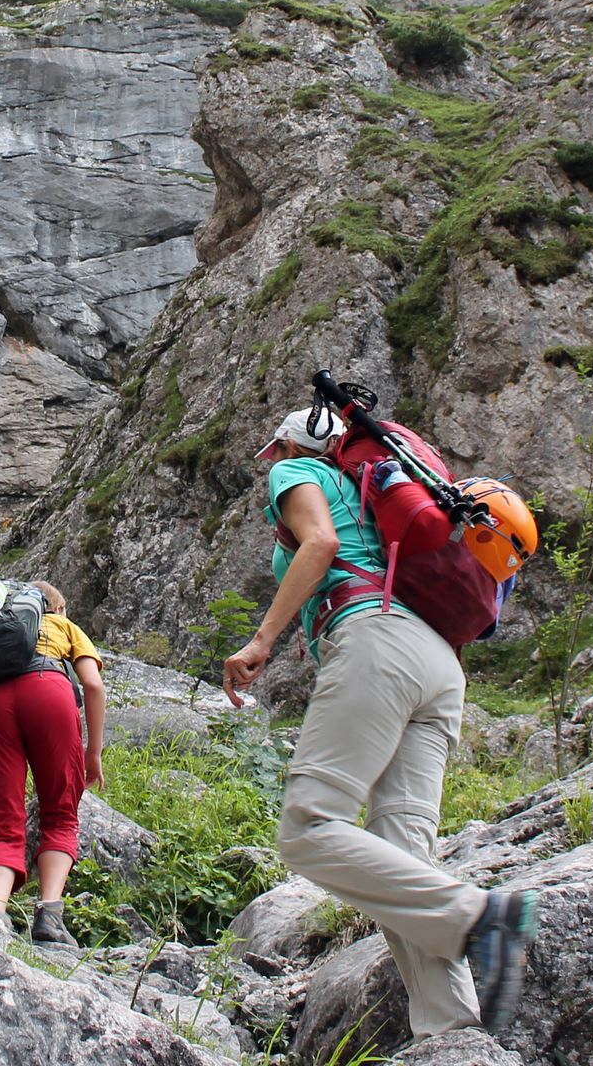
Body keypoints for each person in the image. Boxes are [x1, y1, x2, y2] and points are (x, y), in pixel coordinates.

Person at [222, 407, 537, 1038]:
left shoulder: (297, 473)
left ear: (288, 446)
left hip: (376, 640)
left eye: (276, 451)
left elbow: (322, 545)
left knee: (308, 829)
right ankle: (453, 1037)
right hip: (439, 666)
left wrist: (261, 642)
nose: (274, 463)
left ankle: (479, 916)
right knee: (401, 860)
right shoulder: (383, 490)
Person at [0, 568, 107, 946]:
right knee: (59, 814)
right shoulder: (62, 626)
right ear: (58, 607)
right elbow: (92, 684)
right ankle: (50, 914)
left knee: (1, 827)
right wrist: (93, 754)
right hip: (48, 691)